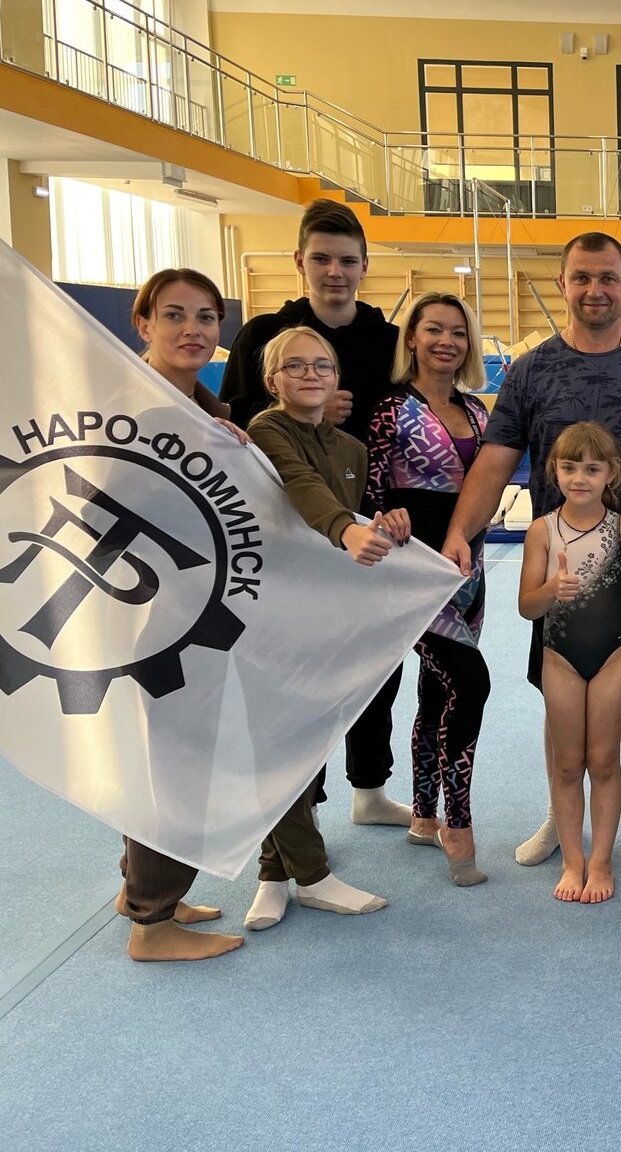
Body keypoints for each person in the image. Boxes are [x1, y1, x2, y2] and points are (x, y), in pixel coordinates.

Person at [440, 232, 621, 870]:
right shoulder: (532, 370)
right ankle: (560, 815)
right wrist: (459, 533)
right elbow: (494, 461)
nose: (595, 290)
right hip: (561, 568)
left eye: (608, 278)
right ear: (563, 284)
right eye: (582, 278)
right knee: (560, 692)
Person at [220, 198, 408, 826]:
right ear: (299, 261)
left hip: (366, 516)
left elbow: (404, 421)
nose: (335, 272)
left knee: (375, 665)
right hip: (285, 535)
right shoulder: (260, 336)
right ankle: (302, 806)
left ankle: (370, 787)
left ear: (364, 266)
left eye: (347, 260)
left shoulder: (388, 341)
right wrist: (304, 414)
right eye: (322, 259)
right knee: (299, 678)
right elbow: (233, 427)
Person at [243, 327, 402, 930]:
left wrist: (381, 524)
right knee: (280, 745)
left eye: (322, 366)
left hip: (324, 616)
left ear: (338, 379)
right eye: (295, 366)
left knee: (304, 745)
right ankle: (310, 876)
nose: (310, 375)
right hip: (268, 611)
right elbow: (300, 486)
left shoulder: (352, 450)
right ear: (271, 380)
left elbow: (350, 513)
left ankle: (272, 873)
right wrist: (346, 528)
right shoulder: (265, 431)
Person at [116, 268, 248, 961]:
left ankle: (137, 889)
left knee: (169, 755)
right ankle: (153, 922)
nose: (192, 330)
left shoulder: (208, 410)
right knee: (180, 762)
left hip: (194, 608)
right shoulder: (133, 413)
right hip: (160, 613)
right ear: (143, 324)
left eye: (205, 317)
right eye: (174, 315)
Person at [363, 292, 493, 887]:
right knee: (470, 682)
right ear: (411, 337)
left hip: (467, 566)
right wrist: (384, 516)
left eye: (458, 332)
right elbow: (369, 491)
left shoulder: (477, 410)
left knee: (437, 691)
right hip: (411, 569)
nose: (447, 341)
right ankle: (457, 824)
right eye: (434, 329)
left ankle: (422, 813)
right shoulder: (391, 409)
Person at [518, 423, 621, 904]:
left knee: (603, 761)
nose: (579, 478)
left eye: (592, 469)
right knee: (567, 764)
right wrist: (550, 590)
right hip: (559, 658)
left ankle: (600, 861)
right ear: (553, 471)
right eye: (569, 467)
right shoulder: (541, 531)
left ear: (611, 474)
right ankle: (572, 860)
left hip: (613, 656)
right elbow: (527, 607)